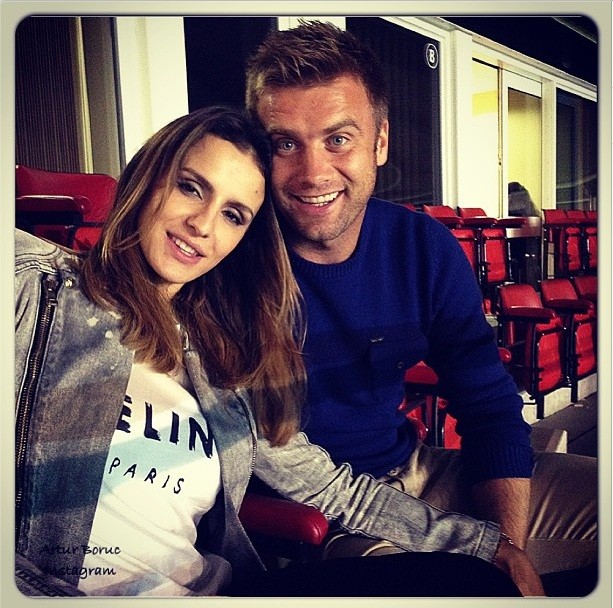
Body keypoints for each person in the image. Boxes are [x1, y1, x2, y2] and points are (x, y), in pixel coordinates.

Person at [15, 106, 529, 597]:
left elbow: (329, 487)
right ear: (148, 178)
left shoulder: (219, 358)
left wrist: (486, 546)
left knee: (477, 583)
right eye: (190, 188)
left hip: (215, 590)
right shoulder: (35, 292)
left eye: (233, 215)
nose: (203, 225)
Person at [244, 20, 597, 596]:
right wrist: (485, 563)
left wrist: (503, 548)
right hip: (318, 518)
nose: (312, 173)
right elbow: (285, 471)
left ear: (380, 142)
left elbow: (488, 407)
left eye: (338, 139)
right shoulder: (232, 261)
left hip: (419, 471)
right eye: (285, 144)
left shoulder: (422, 245)